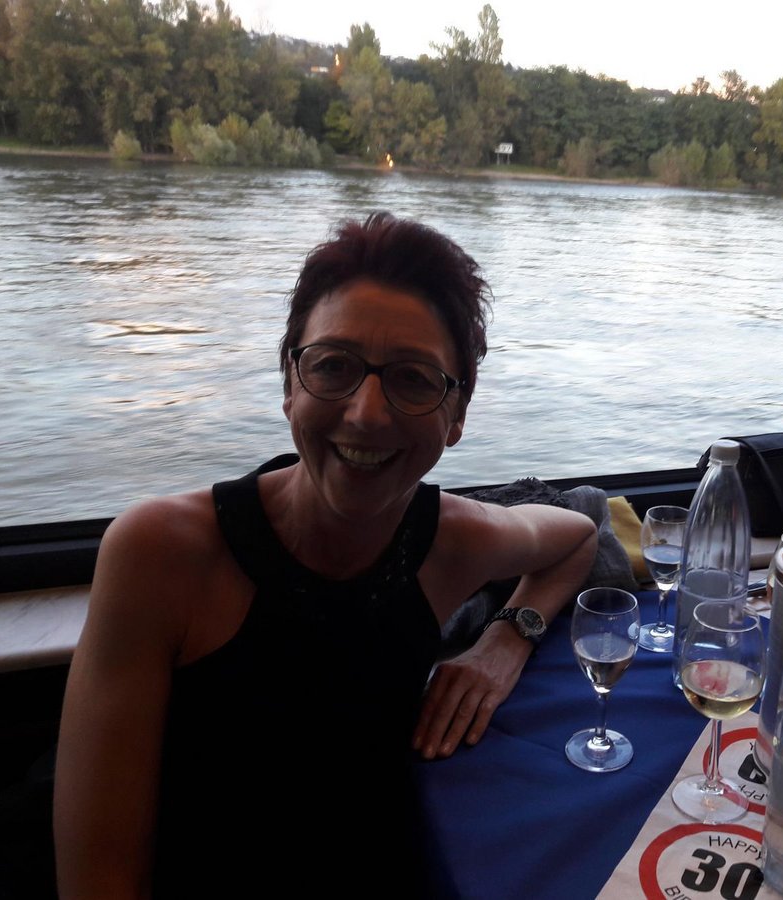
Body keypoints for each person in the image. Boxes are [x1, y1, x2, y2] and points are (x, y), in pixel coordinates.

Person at [52, 213, 598, 899]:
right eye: (334, 366)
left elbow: (577, 537)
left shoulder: (450, 541)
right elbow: (100, 882)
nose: (366, 413)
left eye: (413, 378)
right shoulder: (161, 555)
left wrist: (505, 640)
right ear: (290, 383)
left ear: (457, 414)